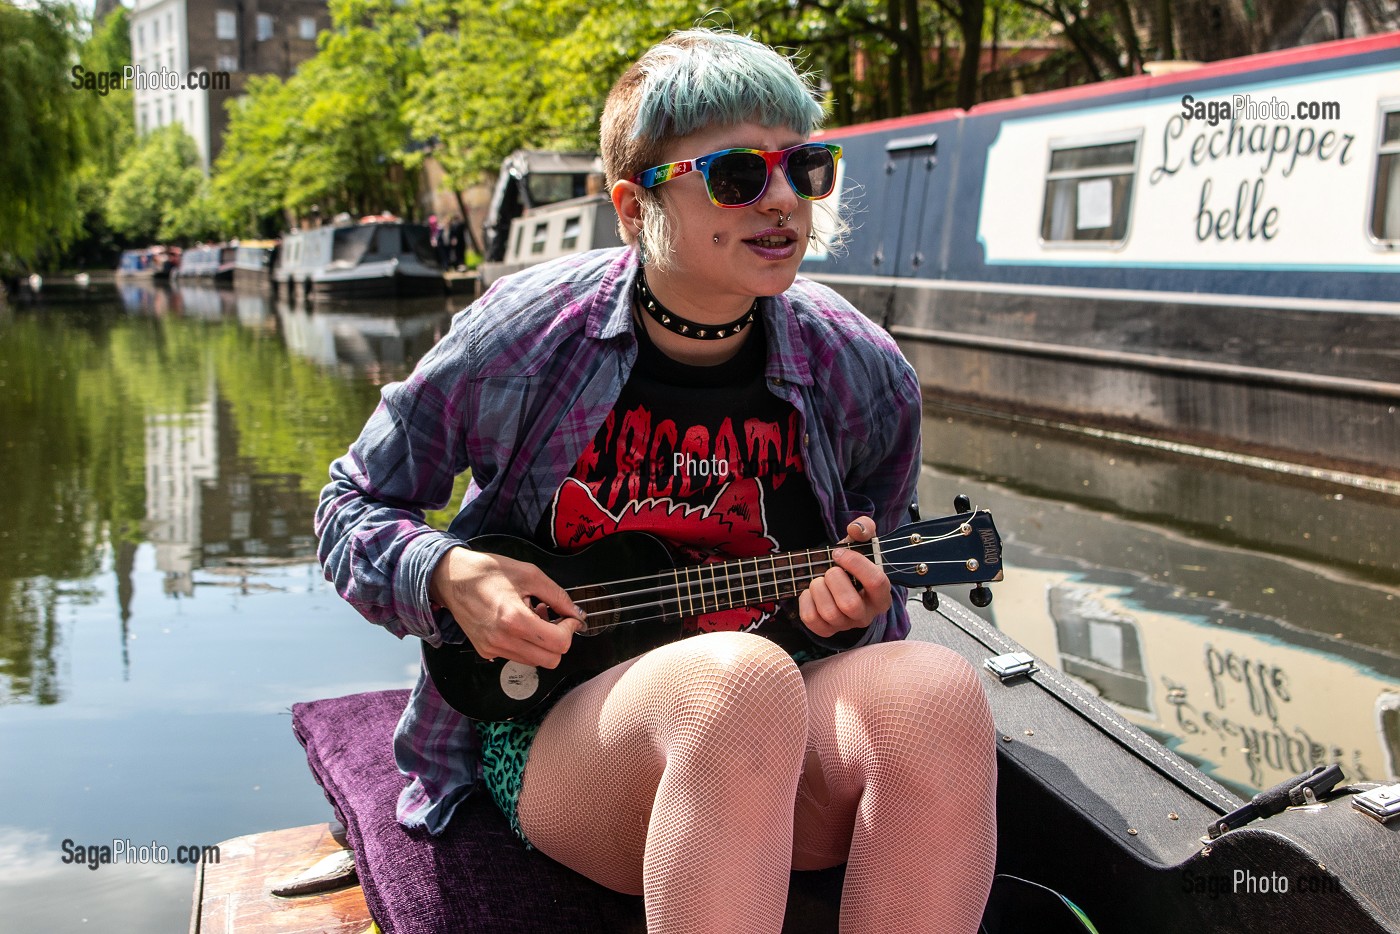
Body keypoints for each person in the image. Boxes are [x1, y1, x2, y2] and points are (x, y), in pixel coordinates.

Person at [316, 27, 996, 934]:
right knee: (733, 683)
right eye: (739, 176)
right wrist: (448, 572)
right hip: (564, 733)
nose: (785, 199)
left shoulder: (860, 368)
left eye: (806, 167)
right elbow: (349, 505)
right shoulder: (522, 337)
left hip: (787, 718)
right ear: (634, 208)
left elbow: (875, 561)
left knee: (937, 692)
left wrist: (858, 603)